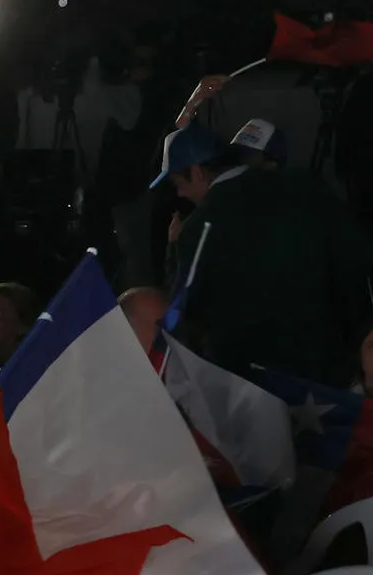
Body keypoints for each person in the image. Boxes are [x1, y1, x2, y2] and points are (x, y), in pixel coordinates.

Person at [155, 124, 373, 385]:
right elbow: (356, 260)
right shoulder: (306, 185)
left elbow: (181, 313)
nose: (179, 194)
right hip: (326, 372)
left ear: (198, 172)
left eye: (178, 183)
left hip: (253, 389)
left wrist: (173, 247)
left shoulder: (198, 229)